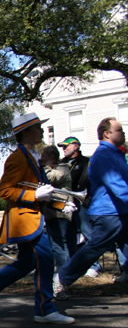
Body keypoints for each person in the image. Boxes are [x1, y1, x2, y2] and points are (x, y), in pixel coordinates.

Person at [0, 112, 75, 324]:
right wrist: (34, 195)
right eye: (37, 127)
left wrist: (61, 203)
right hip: (24, 220)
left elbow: (42, 191)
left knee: (27, 263)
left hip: (32, 218)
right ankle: (44, 309)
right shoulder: (17, 158)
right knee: (45, 260)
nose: (41, 131)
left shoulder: (33, 158)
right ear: (25, 132)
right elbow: (5, 191)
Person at [55, 119, 128, 297]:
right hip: (108, 212)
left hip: (121, 209)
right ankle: (62, 278)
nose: (123, 133)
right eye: (119, 130)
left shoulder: (116, 154)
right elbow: (116, 185)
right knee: (94, 247)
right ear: (107, 134)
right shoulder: (103, 155)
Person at [58, 137, 90, 261]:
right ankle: (73, 262)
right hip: (66, 204)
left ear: (76, 146)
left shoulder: (85, 162)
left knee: (88, 233)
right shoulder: (61, 163)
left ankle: (93, 265)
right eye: (63, 147)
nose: (64, 149)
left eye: (67, 146)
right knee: (68, 236)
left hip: (81, 204)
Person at [41, 146, 73, 269]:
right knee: (56, 243)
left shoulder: (63, 168)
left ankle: (62, 274)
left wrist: (47, 167)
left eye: (44, 156)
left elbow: (49, 178)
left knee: (59, 244)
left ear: (52, 157)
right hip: (51, 212)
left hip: (60, 212)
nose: (42, 159)